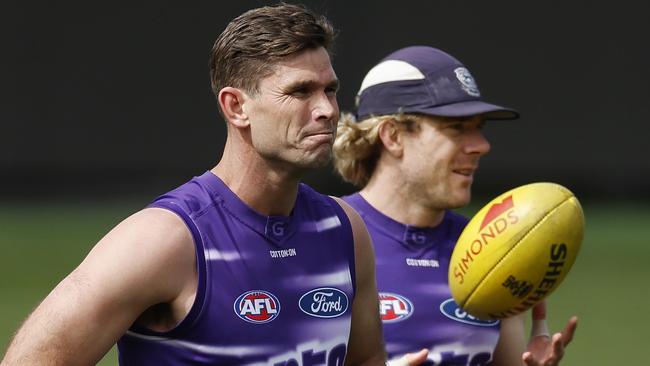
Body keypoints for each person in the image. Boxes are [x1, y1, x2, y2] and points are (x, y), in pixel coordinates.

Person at [2, 5, 426, 365]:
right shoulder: (164, 240)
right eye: (300, 91)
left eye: (330, 90)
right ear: (236, 106)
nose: (326, 110)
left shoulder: (345, 231)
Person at [332, 46, 578, 366]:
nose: (481, 145)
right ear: (393, 136)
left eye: (479, 128)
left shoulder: (492, 247)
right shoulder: (326, 236)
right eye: (457, 128)